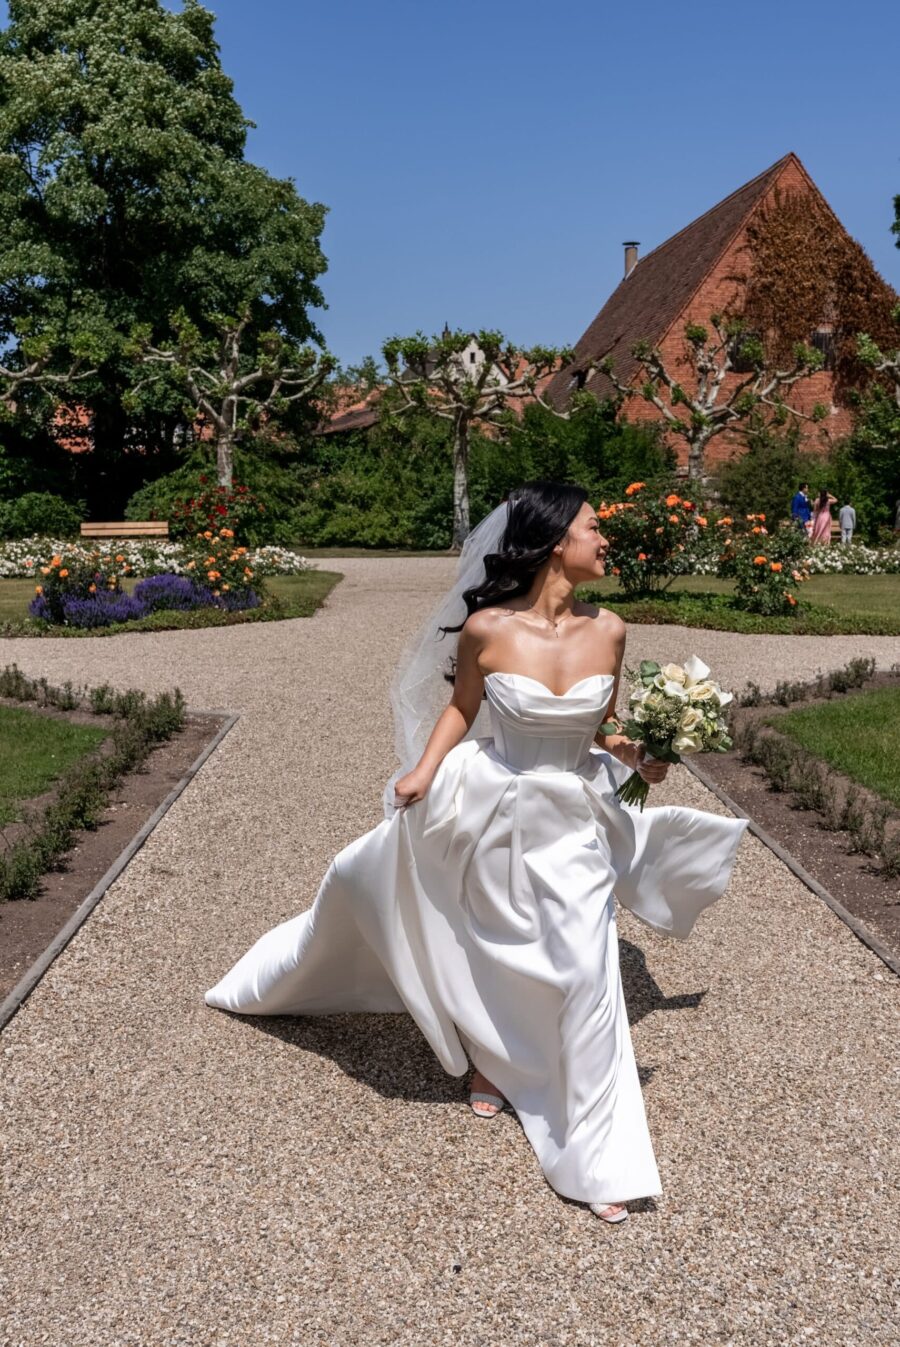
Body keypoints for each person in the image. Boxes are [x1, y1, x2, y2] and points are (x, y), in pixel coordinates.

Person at [204, 483, 748, 1226]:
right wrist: (423, 772)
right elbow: (463, 707)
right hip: (499, 806)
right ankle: (494, 1057)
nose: (605, 538)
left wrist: (641, 755)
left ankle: (599, 1153)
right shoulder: (487, 629)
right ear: (555, 540)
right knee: (500, 946)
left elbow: (603, 726)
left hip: (577, 817)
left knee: (586, 969)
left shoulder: (611, 630)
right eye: (594, 526)